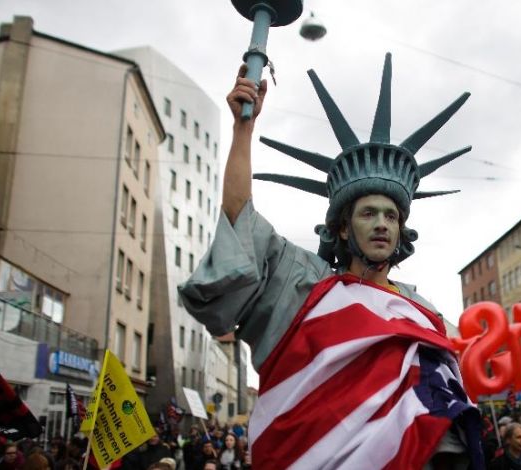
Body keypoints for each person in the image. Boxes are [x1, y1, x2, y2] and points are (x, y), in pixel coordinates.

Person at [178, 54, 480, 470]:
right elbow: (239, 219)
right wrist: (242, 129)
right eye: (368, 213)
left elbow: (444, 416)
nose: (382, 224)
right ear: (342, 229)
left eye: (391, 216)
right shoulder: (304, 285)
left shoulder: (421, 313)